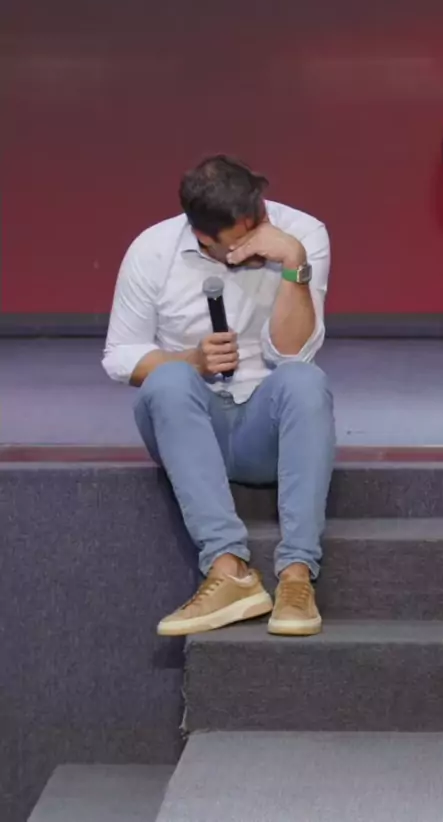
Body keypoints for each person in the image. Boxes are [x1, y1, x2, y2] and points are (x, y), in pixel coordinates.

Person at [102, 155, 335, 637]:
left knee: (305, 382)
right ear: (203, 237)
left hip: (264, 432)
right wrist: (190, 361)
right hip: (191, 427)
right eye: (239, 242)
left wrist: (294, 264)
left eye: (259, 224)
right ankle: (229, 571)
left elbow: (295, 353)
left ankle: (296, 578)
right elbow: (120, 355)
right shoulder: (153, 249)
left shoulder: (301, 233)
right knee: (167, 380)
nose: (256, 243)